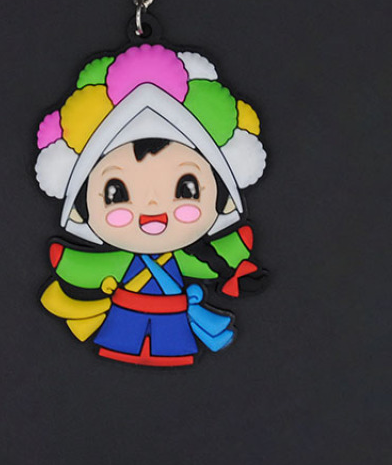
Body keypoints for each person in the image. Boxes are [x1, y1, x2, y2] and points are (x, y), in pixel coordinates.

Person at [35, 43, 267, 366]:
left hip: (170, 315)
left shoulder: (191, 255)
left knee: (170, 340)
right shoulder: (134, 256)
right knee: (124, 336)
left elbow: (211, 265)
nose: (153, 208)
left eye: (186, 189)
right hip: (127, 311)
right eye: (117, 192)